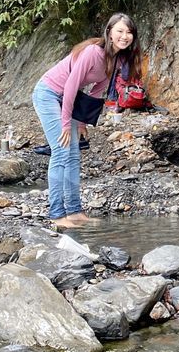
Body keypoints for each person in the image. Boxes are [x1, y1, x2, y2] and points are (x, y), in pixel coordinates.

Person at [32, 13, 143, 228]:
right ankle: (56, 215)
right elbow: (73, 84)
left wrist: (81, 121)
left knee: (73, 155)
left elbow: (97, 89)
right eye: (120, 31)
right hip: (49, 94)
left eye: (129, 32)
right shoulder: (93, 52)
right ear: (109, 32)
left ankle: (74, 211)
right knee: (61, 152)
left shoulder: (118, 59)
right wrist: (66, 123)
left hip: (68, 100)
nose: (124, 36)